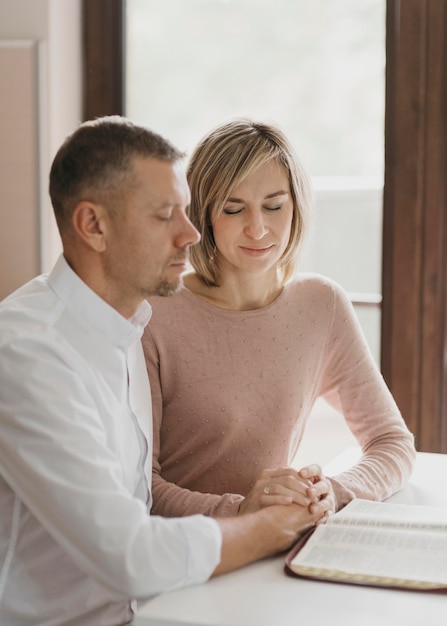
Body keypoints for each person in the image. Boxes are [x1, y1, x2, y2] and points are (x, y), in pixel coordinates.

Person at [0, 116, 334, 626]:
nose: (191, 233)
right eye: (164, 216)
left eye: (186, 211)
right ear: (93, 226)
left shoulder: (129, 325)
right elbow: (130, 556)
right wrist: (273, 525)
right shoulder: (26, 354)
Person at [142, 117, 416, 519]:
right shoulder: (154, 313)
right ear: (202, 216)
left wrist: (335, 491)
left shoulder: (321, 305)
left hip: (273, 548)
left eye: (274, 206)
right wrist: (240, 512)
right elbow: (140, 486)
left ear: (296, 207)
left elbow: (392, 442)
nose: (258, 228)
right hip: (185, 553)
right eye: (234, 209)